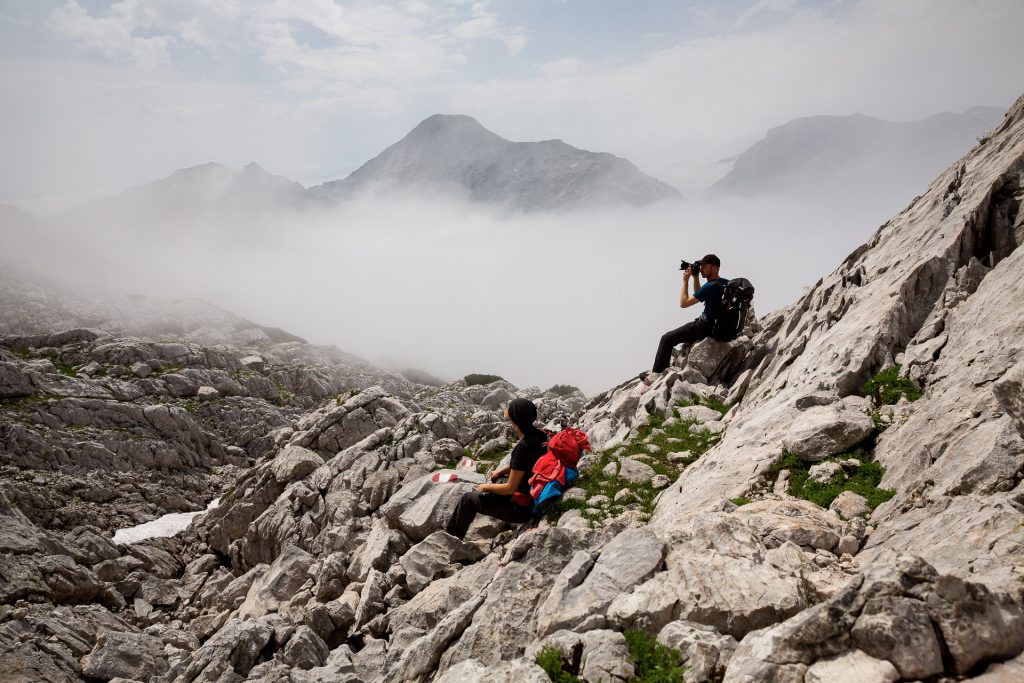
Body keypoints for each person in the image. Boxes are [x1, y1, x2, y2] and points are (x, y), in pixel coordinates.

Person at [445, 397, 546, 539]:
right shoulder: (539, 435)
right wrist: (500, 471)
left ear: (515, 421)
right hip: (532, 496)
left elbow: (510, 488)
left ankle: (451, 538)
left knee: (468, 499)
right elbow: (523, 465)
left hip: (521, 510)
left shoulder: (523, 447)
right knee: (497, 480)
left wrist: (485, 487)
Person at [648, 253, 727, 375]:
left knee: (666, 339)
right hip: (717, 325)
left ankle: (657, 374)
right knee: (682, 342)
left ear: (714, 268)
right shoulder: (724, 283)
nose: (701, 269)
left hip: (704, 326)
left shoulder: (710, 286)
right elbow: (701, 295)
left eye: (704, 266)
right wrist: (695, 277)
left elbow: (683, 303)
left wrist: (685, 280)